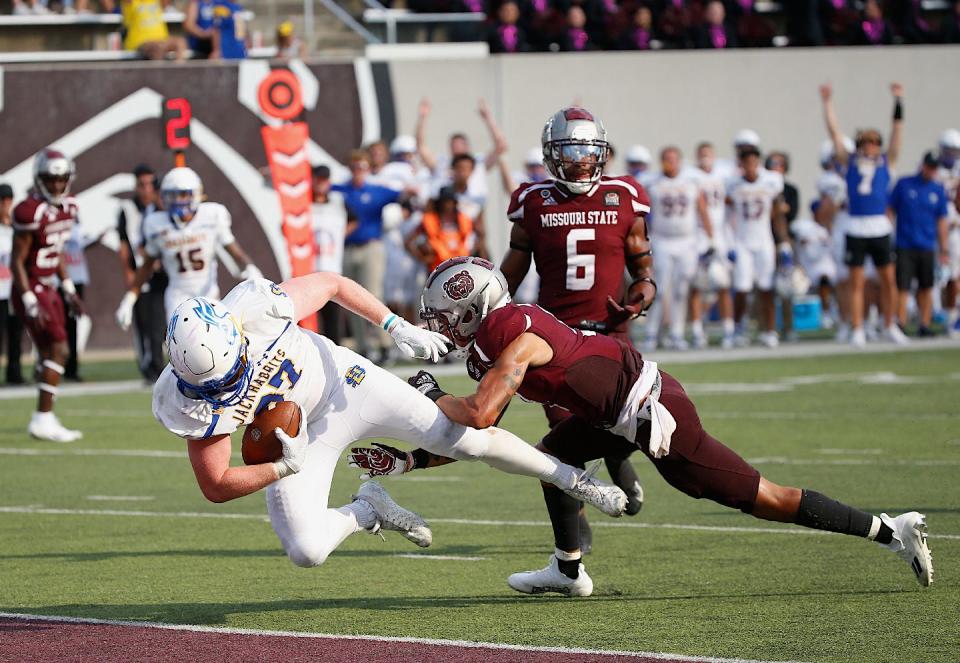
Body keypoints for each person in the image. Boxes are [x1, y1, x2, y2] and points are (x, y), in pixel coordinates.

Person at [352, 257, 934, 595]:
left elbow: (477, 415)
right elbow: (485, 437)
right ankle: (568, 569)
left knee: (760, 497)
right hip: (611, 415)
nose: (442, 326)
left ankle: (889, 529)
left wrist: (426, 397)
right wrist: (409, 459)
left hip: (652, 411)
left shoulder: (513, 334)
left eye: (448, 316)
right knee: (551, 459)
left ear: (474, 309)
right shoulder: (497, 336)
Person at [152, 273, 626, 570]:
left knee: (465, 439)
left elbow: (333, 285)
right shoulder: (185, 399)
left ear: (235, 332)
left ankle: (573, 479)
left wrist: (394, 326)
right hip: (298, 440)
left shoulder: (255, 308)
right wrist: (281, 467)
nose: (227, 386)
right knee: (306, 550)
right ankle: (367, 509)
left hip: (347, 385)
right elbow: (215, 484)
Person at [496, 107, 652, 553]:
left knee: (624, 419)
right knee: (564, 430)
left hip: (611, 330)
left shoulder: (625, 195)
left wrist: (641, 297)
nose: (582, 159)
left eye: (588, 149)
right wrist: (488, 304)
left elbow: (643, 270)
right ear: (552, 155)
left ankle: (619, 458)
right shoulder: (533, 200)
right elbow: (513, 268)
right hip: (554, 334)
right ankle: (577, 515)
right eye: (571, 149)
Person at [115, 167, 261, 330]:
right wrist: (129, 299)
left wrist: (251, 268)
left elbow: (235, 251)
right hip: (177, 296)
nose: (178, 200)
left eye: (183, 194)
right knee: (180, 349)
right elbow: (146, 266)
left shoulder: (212, 215)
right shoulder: (156, 224)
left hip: (208, 294)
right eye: (173, 195)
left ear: (196, 194)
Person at [820, 82, 908, 347]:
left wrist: (898, 101)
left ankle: (889, 324)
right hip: (856, 226)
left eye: (873, 143)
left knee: (888, 281)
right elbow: (834, 133)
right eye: (865, 142)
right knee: (856, 281)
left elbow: (897, 132)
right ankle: (858, 327)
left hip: (879, 225)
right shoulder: (850, 162)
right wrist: (827, 103)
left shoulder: (886, 161)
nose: (870, 147)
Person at [10, 149, 84, 442]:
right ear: (39, 179)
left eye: (61, 178)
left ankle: (45, 416)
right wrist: (28, 299)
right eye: (50, 179)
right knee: (59, 350)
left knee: (48, 353)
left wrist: (68, 288)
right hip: (32, 286)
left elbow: (58, 251)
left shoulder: (69, 207)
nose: (56, 185)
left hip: (49, 286)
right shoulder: (31, 211)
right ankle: (43, 418)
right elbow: (16, 261)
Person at [332, 150, 405, 361]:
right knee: (349, 299)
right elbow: (316, 186)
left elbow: (404, 197)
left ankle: (385, 344)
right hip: (347, 248)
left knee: (373, 295)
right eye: (354, 167)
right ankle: (363, 346)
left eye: (362, 167)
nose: (358, 172)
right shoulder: (342, 190)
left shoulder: (376, 190)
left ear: (367, 169)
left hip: (371, 247)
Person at [643, 146, 713, 351]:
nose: (670, 162)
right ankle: (651, 333)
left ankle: (677, 333)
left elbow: (702, 210)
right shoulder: (653, 183)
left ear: (680, 161)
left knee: (682, 290)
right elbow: (642, 214)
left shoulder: (691, 182)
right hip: (662, 240)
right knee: (660, 289)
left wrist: (711, 239)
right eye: (666, 159)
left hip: (687, 241)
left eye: (674, 159)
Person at [727, 146, 789, 348]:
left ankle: (769, 330)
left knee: (766, 287)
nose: (751, 167)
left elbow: (778, 214)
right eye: (747, 163)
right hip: (742, 241)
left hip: (764, 240)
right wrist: (727, 242)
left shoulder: (771, 182)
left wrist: (784, 241)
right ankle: (738, 328)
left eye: (754, 163)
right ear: (741, 165)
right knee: (742, 288)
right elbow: (726, 217)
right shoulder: (732, 184)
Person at [888, 152, 950, 336]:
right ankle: (900, 322)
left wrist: (944, 248)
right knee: (903, 286)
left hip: (927, 245)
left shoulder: (937, 190)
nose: (931, 171)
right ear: (922, 165)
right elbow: (890, 210)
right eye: (929, 166)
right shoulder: (904, 184)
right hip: (905, 244)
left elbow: (941, 220)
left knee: (926, 286)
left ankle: (924, 323)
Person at [118, 164, 167, 383]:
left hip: (165, 273)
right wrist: (129, 273)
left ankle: (169, 367)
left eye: (151, 184)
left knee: (163, 323)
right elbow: (124, 244)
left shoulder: (163, 209)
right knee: (145, 323)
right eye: (142, 184)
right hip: (142, 271)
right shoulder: (127, 209)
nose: (147, 189)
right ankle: (150, 368)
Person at [689, 141, 735, 349]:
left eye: (708, 153)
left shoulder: (725, 172)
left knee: (723, 284)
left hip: (721, 234)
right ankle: (698, 331)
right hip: (697, 235)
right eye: (702, 154)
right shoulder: (690, 176)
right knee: (697, 284)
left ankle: (728, 329)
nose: (705, 157)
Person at [311, 165, 348, 344]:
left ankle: (334, 354)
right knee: (309, 318)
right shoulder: (303, 203)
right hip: (308, 270)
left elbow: (354, 219)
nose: (321, 184)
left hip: (331, 268)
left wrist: (340, 236)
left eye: (324, 180)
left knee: (332, 317)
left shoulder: (337, 202)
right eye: (318, 179)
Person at [406, 187, 473, 272]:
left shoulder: (464, 220)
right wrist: (422, 258)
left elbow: (474, 242)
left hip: (461, 269)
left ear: (454, 203)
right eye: (444, 201)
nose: (447, 205)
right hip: (437, 271)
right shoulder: (429, 220)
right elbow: (408, 242)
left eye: (449, 201)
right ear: (439, 203)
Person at [0, 184, 25, 386]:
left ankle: (14, 373)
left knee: (16, 333)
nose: (6, 205)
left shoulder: (16, 228)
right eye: (3, 201)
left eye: (9, 201)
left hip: (14, 288)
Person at [103, 0, 186, 61]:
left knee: (180, 43)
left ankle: (178, 74)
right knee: (157, 48)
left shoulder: (156, 2)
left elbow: (166, 3)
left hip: (161, 40)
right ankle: (160, 79)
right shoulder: (131, 3)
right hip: (140, 42)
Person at [936, 129, 960, 336]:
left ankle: (952, 316)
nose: (952, 155)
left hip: (954, 228)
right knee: (944, 276)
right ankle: (946, 314)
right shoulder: (933, 172)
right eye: (949, 150)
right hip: (938, 229)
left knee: (954, 275)